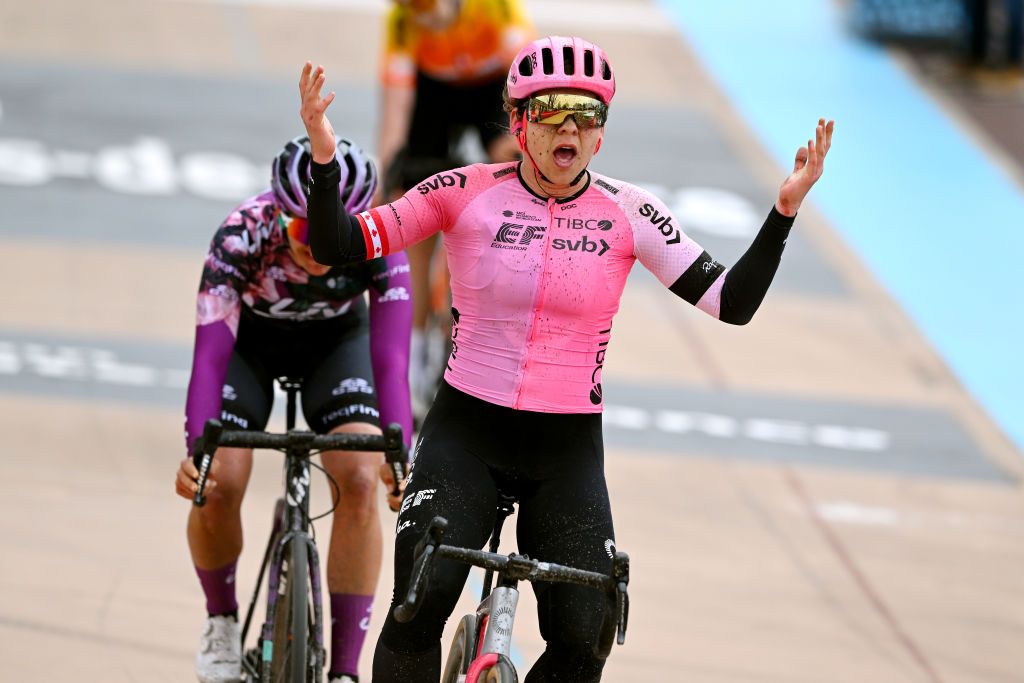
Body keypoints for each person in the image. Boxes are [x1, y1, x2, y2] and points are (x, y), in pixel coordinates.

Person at [299, 34, 835, 681]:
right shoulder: (462, 191)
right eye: (553, 110)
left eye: (588, 115)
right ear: (519, 122)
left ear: (602, 134)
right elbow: (338, 242)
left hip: (565, 452)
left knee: (585, 638)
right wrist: (325, 160)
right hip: (467, 434)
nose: (571, 128)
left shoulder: (630, 212)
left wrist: (783, 212)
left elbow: (731, 301)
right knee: (420, 602)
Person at [173, 135, 413, 683]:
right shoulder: (242, 234)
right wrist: (197, 453)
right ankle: (221, 623)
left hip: (337, 345)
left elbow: (392, 359)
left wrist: (399, 456)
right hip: (249, 347)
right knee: (221, 480)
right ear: (279, 216)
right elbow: (209, 357)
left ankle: (346, 671)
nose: (319, 247)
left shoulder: (380, 241)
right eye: (304, 230)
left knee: (357, 478)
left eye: (334, 233)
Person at [376, 0, 534, 418]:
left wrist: (524, 157)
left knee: (514, 165)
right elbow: (396, 108)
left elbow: (529, 92)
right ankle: (408, 369)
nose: (422, 14)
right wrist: (388, 175)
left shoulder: (497, 11)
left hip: (493, 92)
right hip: (434, 97)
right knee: (409, 208)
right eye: (413, 7)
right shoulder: (403, 23)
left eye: (427, 5)